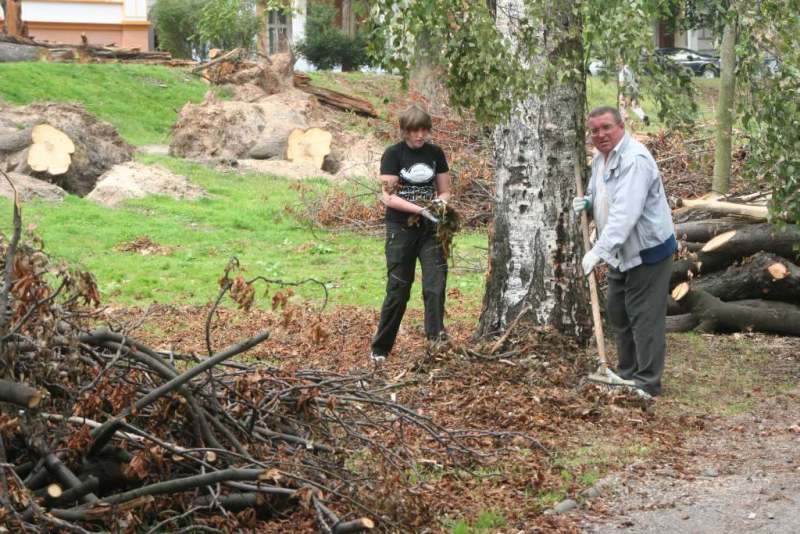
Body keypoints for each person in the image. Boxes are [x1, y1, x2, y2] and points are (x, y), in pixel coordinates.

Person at [573, 106, 676, 397]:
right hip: (621, 251)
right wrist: (589, 204)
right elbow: (601, 194)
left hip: (647, 250)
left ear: (621, 126)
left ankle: (647, 382)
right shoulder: (599, 160)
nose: (601, 135)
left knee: (644, 317)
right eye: (594, 130)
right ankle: (627, 373)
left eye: (606, 127)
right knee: (618, 311)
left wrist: (598, 251)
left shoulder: (635, 160)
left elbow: (625, 214)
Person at [370, 105, 452, 364]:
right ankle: (380, 349)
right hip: (401, 230)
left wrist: (440, 205)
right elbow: (388, 197)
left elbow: (445, 189)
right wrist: (420, 210)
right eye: (414, 131)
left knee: (435, 286)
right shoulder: (393, 154)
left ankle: (435, 343)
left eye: (424, 130)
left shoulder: (435, 153)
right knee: (398, 289)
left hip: (431, 231)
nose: (420, 136)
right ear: (405, 131)